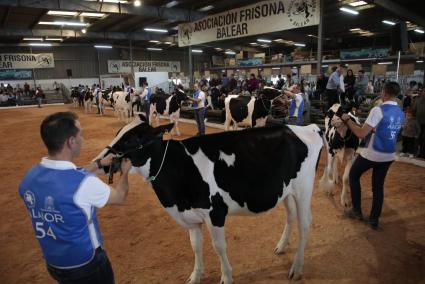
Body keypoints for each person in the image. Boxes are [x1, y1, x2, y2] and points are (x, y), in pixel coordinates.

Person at [18, 112, 132, 284]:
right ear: (71, 142)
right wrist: (125, 170)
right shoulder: (85, 184)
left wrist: (98, 164)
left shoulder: (29, 178)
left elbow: (64, 176)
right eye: (80, 134)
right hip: (87, 264)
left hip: (54, 263)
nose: (83, 139)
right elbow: (120, 197)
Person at [342, 82, 405, 230]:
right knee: (378, 187)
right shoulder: (401, 113)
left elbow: (360, 133)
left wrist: (347, 120)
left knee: (353, 175)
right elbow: (394, 130)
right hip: (389, 155)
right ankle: (373, 220)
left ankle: (356, 210)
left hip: (373, 153)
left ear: (385, 93)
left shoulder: (378, 110)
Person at [412, 87, 425, 158]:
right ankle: (415, 152)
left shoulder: (417, 100)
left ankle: (422, 153)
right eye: (424, 91)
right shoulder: (417, 100)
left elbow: (414, 110)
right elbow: (413, 110)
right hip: (418, 122)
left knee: (423, 138)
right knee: (417, 137)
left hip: (420, 121)